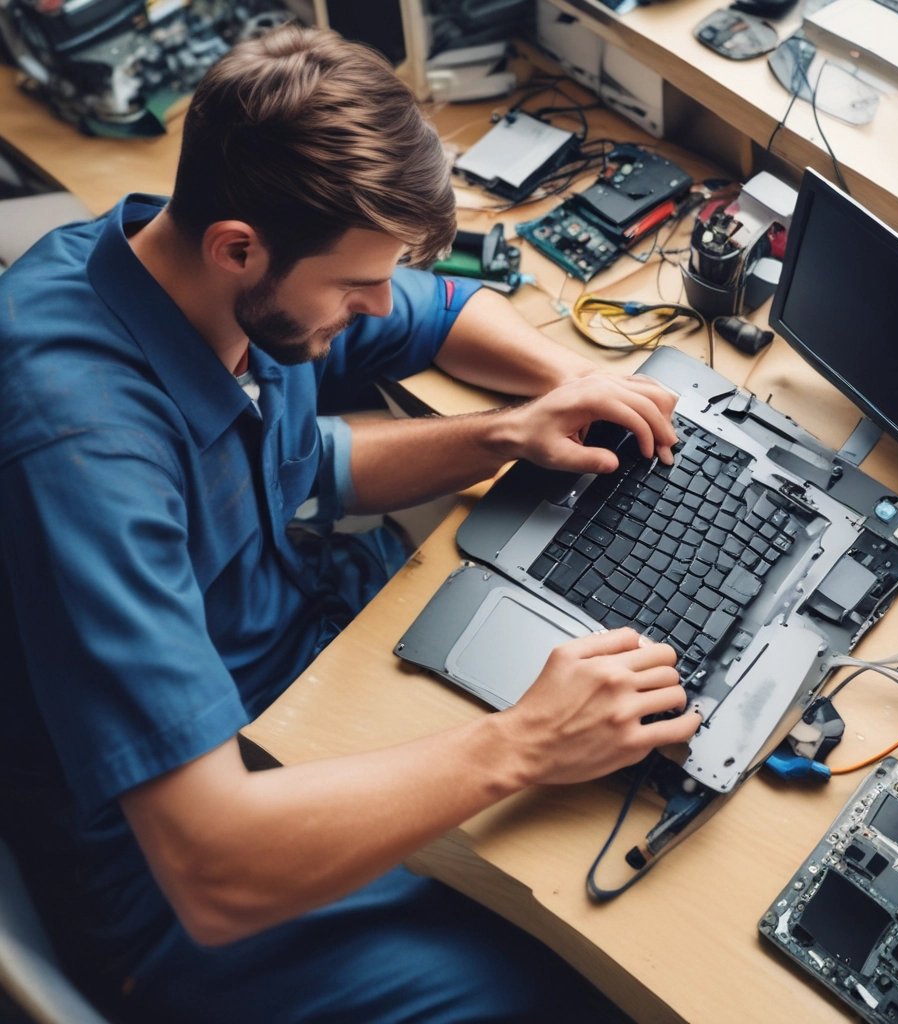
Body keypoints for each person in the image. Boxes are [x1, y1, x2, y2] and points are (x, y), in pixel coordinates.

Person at [0, 23, 701, 1024]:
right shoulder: (80, 444)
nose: (376, 308)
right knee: (579, 981)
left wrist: (550, 404)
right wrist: (523, 745)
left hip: (302, 682)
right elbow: (216, 866)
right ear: (238, 248)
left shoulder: (207, 271)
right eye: (353, 286)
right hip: (184, 886)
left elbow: (327, 434)